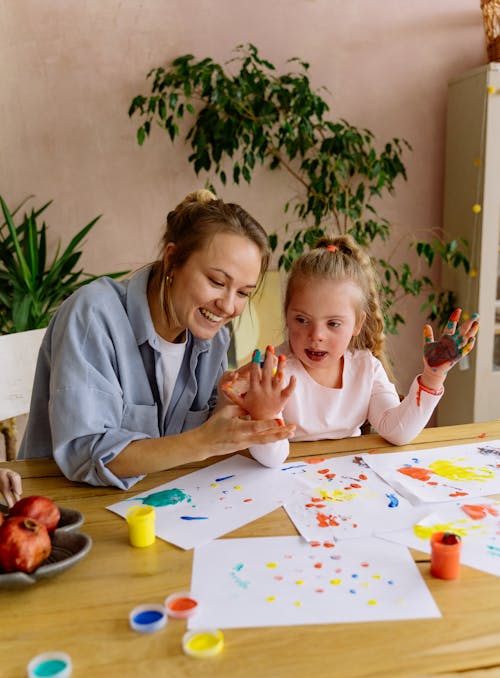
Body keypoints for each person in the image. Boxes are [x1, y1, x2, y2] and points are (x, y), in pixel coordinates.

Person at [18, 190, 294, 488]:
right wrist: (204, 442)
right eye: (216, 282)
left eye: (243, 293)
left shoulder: (211, 337)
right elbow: (88, 455)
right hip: (63, 508)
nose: (228, 307)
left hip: (156, 505)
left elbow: (196, 436)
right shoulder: (93, 314)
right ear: (173, 260)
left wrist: (234, 404)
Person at [224, 234, 479, 467]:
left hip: (348, 488)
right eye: (302, 320)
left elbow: (396, 431)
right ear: (287, 316)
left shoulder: (366, 368)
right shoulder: (272, 374)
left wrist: (433, 377)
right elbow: (272, 458)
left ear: (357, 324)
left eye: (333, 323)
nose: (316, 336)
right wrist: (264, 413)